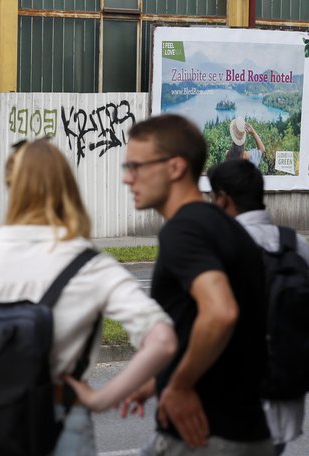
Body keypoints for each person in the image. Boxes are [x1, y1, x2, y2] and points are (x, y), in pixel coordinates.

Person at [0, 138, 177, 455]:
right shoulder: (91, 267)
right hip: (60, 420)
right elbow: (162, 341)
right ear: (68, 187)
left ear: (13, 188)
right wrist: (100, 399)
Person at [120, 114, 274, 455]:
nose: (127, 179)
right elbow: (202, 325)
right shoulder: (221, 225)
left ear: (175, 167)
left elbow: (220, 314)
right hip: (244, 431)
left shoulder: (184, 230)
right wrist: (159, 381)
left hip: (204, 436)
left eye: (136, 166)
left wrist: (179, 385)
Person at [207, 159, 309, 456]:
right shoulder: (293, 244)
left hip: (229, 405)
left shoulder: (218, 245)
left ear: (223, 198)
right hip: (283, 399)